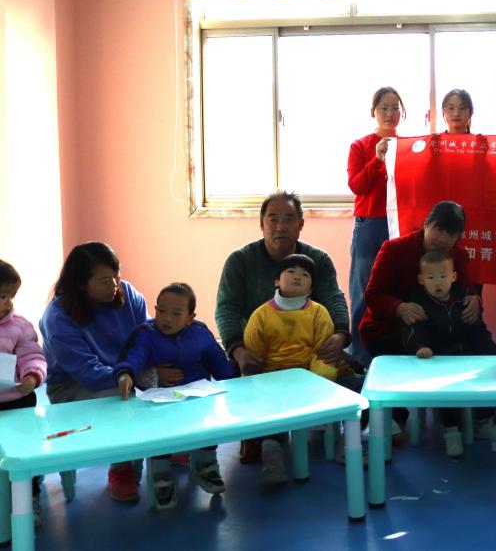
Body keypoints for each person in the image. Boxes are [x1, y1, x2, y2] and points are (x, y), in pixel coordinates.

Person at [215, 191, 352, 462]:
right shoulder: (240, 261)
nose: (280, 227)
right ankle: (255, 434)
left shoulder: (318, 259)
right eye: (273, 219)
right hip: (258, 353)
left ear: (301, 224)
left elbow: (334, 298)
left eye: (288, 219)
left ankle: (346, 438)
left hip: (310, 351)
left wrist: (340, 335)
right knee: (230, 373)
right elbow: (226, 309)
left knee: (352, 375)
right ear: (261, 224)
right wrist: (238, 350)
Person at [361, 201, 496, 441]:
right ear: (426, 225)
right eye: (438, 229)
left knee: (483, 345)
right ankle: (396, 416)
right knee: (436, 349)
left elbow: (466, 289)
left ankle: (483, 416)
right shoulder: (394, 249)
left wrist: (474, 300)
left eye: (450, 233)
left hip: (440, 325)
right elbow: (372, 295)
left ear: (458, 237)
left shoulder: (459, 254)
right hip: (390, 327)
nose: (442, 238)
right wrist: (399, 308)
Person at [39, 242, 150, 502]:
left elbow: (146, 339)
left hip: (127, 373)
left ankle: (171, 452)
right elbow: (87, 372)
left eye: (116, 276)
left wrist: (148, 370)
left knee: (177, 374)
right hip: (73, 386)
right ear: (80, 283)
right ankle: (121, 469)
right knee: (121, 398)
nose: (114, 285)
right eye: (103, 281)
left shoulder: (128, 295)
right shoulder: (57, 317)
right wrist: (128, 375)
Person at [243, 254, 363, 483]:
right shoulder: (260, 316)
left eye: (305, 274)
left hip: (317, 379)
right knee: (271, 412)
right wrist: (258, 386)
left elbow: (323, 354)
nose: (297, 276)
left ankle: (349, 444)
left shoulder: (319, 313)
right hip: (274, 382)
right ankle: (272, 458)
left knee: (361, 389)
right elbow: (255, 357)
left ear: (311, 288)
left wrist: (314, 387)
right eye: (290, 271)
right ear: (276, 281)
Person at [115, 283, 237, 507]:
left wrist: (236, 373)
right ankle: (160, 475)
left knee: (208, 428)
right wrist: (125, 374)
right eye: (161, 310)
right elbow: (133, 358)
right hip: (158, 402)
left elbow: (219, 364)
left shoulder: (200, 333)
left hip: (196, 401)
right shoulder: (146, 334)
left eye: (176, 313)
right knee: (159, 436)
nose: (167, 318)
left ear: (190, 318)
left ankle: (205, 466)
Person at [402, 250, 496, 457]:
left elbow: (477, 328)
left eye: (443, 276)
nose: (438, 282)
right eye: (431, 277)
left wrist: (489, 353)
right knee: (446, 390)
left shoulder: (463, 298)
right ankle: (451, 431)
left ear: (453, 276)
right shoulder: (417, 302)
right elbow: (413, 330)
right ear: (421, 280)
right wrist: (420, 347)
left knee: (489, 373)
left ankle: (484, 421)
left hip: (467, 356)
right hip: (438, 359)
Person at [347, 86, 406, 365]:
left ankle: (394, 353)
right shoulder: (360, 146)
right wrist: (377, 158)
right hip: (370, 224)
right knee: (363, 291)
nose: (390, 113)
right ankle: (359, 357)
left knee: (398, 290)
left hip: (400, 225)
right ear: (373, 112)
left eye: (395, 108)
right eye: (384, 108)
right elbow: (357, 186)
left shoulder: (409, 146)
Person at [0, 260, 47, 525]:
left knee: (24, 452)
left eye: (12, 296)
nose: (8, 303)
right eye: (2, 296)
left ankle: (30, 497)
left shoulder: (20, 326)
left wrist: (32, 377)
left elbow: (32, 356)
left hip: (17, 400)